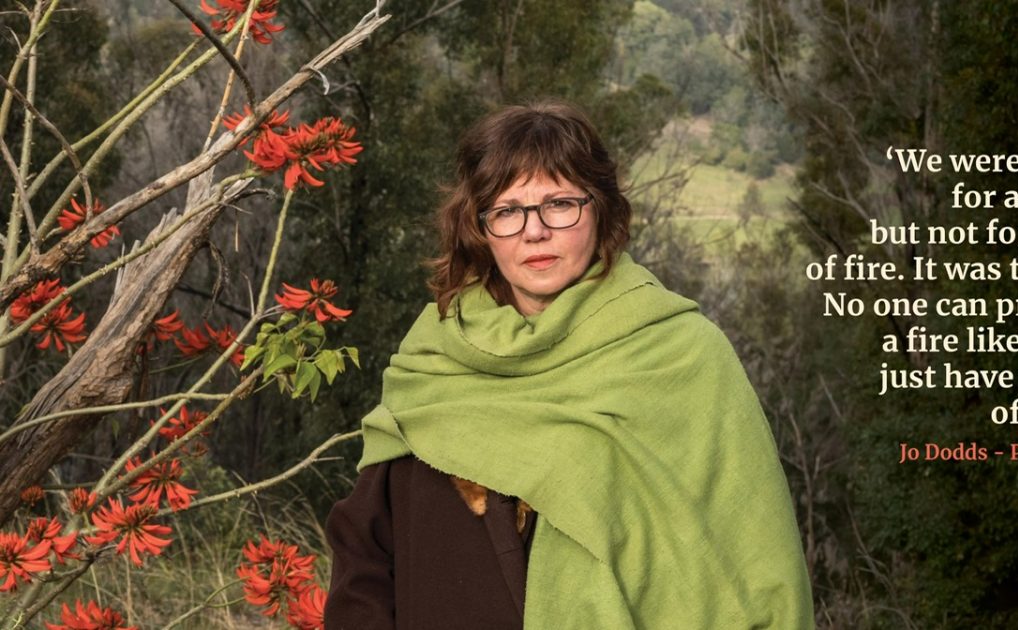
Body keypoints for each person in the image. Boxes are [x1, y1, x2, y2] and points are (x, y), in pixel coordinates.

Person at [324, 100, 814, 629]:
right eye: (508, 210)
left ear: (600, 209)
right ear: (479, 227)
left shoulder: (682, 354)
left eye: (559, 203)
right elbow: (365, 553)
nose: (534, 231)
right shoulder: (436, 354)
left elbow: (754, 559)